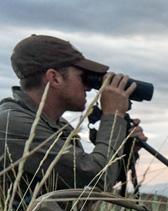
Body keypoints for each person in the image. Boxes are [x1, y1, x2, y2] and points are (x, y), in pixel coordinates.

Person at [0, 34, 147, 197]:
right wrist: (113, 116)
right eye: (83, 77)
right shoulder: (10, 123)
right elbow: (96, 179)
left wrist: (125, 149)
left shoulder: (58, 126)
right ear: (54, 78)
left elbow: (85, 193)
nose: (89, 87)